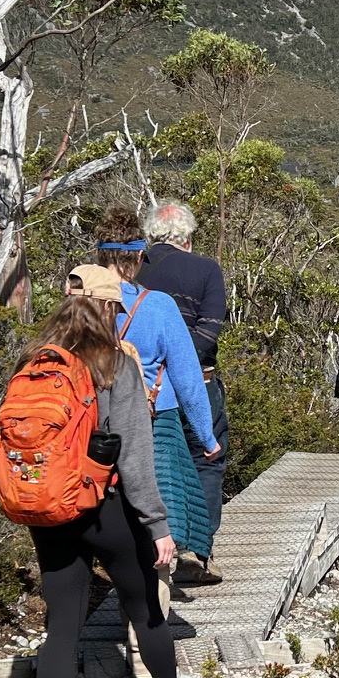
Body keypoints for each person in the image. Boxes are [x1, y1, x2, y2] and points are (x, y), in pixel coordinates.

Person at [30, 272, 201, 678]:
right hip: (105, 508)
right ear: (106, 310)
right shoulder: (117, 367)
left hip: (52, 511)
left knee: (62, 626)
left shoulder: (34, 364)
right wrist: (157, 526)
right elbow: (134, 460)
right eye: (116, 310)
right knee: (145, 606)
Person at [91, 210, 221, 601]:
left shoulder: (78, 304)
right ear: (137, 256)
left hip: (93, 426)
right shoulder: (158, 306)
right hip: (154, 422)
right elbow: (186, 377)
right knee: (155, 523)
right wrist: (206, 436)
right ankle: (146, 633)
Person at [136, 201, 230, 586]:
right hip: (197, 385)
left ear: (151, 236)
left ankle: (145, 552)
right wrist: (177, 361)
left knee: (141, 469)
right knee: (206, 462)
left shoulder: (129, 271)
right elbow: (209, 335)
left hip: (134, 391)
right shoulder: (206, 270)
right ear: (187, 238)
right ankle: (195, 553)